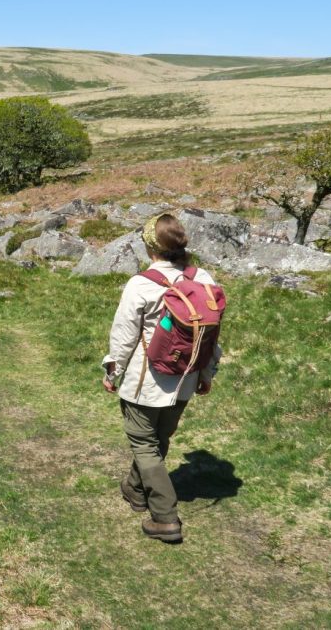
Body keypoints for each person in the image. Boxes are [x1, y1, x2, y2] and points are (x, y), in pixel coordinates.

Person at [101, 212, 222, 543]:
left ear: (149, 247)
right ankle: (135, 490)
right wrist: (206, 373)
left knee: (144, 443)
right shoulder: (205, 279)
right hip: (185, 378)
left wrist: (113, 371)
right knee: (159, 440)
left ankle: (165, 517)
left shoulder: (141, 284)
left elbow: (124, 336)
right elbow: (213, 335)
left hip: (146, 382)